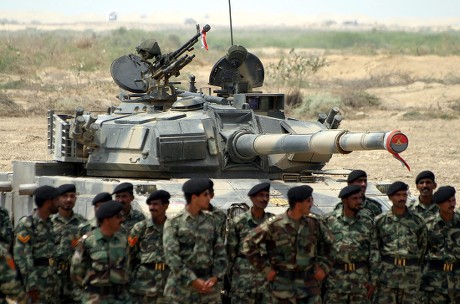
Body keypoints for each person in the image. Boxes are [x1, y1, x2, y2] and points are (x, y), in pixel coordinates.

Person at [243, 185, 334, 304]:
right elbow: (248, 244)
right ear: (298, 204)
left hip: (309, 288)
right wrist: (266, 269)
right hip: (282, 288)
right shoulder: (275, 225)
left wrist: (324, 267)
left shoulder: (314, 223)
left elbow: (331, 245)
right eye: (308, 201)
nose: (312, 204)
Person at [163, 178, 227, 304]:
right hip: (182, 290)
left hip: (209, 290)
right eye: (205, 195)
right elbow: (172, 257)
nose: (209, 198)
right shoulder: (174, 223)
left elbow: (220, 253)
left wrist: (215, 277)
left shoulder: (210, 221)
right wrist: (193, 281)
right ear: (194, 198)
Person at [323, 185, 379, 303]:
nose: (359, 202)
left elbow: (374, 253)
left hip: (360, 282)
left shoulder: (367, 222)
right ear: (344, 200)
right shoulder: (329, 221)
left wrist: (373, 280)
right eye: (354, 199)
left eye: (360, 198)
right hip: (336, 282)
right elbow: (321, 251)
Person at [374, 181, 427, 304]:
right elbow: (376, 248)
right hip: (387, 276)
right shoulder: (381, 221)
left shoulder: (418, 221)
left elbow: (423, 247)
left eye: (404, 195)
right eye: (398, 195)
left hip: (410, 276)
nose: (402, 198)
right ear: (390, 197)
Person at [71, 201, 131, 303]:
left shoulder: (123, 240)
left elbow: (127, 268)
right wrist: (85, 296)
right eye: (118, 216)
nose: (122, 219)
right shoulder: (87, 241)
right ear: (106, 219)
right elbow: (75, 273)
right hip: (95, 298)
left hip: (119, 298)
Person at [226, 182, 274, 304]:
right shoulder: (239, 222)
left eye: (267, 196)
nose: (264, 199)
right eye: (261, 195)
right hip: (243, 279)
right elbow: (230, 253)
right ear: (252, 198)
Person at [13, 185, 61, 304]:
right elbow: (23, 257)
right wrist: (32, 286)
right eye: (56, 200)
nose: (59, 203)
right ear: (48, 202)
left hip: (51, 285)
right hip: (36, 286)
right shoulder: (27, 224)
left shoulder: (50, 223)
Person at [128, 190, 171, 303]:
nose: (152, 207)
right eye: (150, 204)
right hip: (143, 285)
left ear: (166, 206)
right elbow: (129, 256)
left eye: (156, 204)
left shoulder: (175, 229)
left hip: (168, 284)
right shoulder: (140, 228)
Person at [421, 186, 460, 303]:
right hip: (434, 281)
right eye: (448, 201)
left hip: (457, 279)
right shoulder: (428, 225)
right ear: (438, 204)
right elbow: (421, 252)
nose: (452, 204)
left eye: (453, 200)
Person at [52, 184, 87, 303]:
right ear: (57, 199)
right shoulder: (48, 222)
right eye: (65, 196)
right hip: (52, 277)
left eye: (72, 196)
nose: (69, 199)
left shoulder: (83, 224)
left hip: (74, 279)